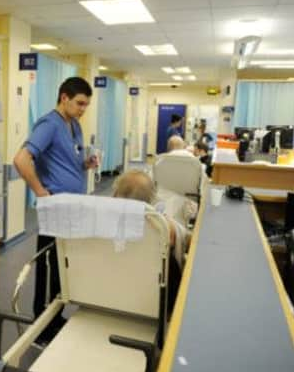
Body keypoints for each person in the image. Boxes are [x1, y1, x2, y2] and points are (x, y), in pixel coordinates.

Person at [13, 76, 96, 345]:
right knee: (48, 266)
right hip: (56, 207)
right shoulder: (49, 124)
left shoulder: (74, 125)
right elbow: (21, 159)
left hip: (71, 207)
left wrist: (85, 164)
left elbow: (68, 161)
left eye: (86, 104)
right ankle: (41, 324)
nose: (83, 108)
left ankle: (56, 316)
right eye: (80, 103)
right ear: (64, 98)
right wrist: (40, 191)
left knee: (62, 266)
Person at [112, 170, 191, 316]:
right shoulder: (165, 226)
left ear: (116, 194)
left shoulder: (104, 221)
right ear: (151, 198)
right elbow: (189, 242)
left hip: (113, 290)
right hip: (155, 300)